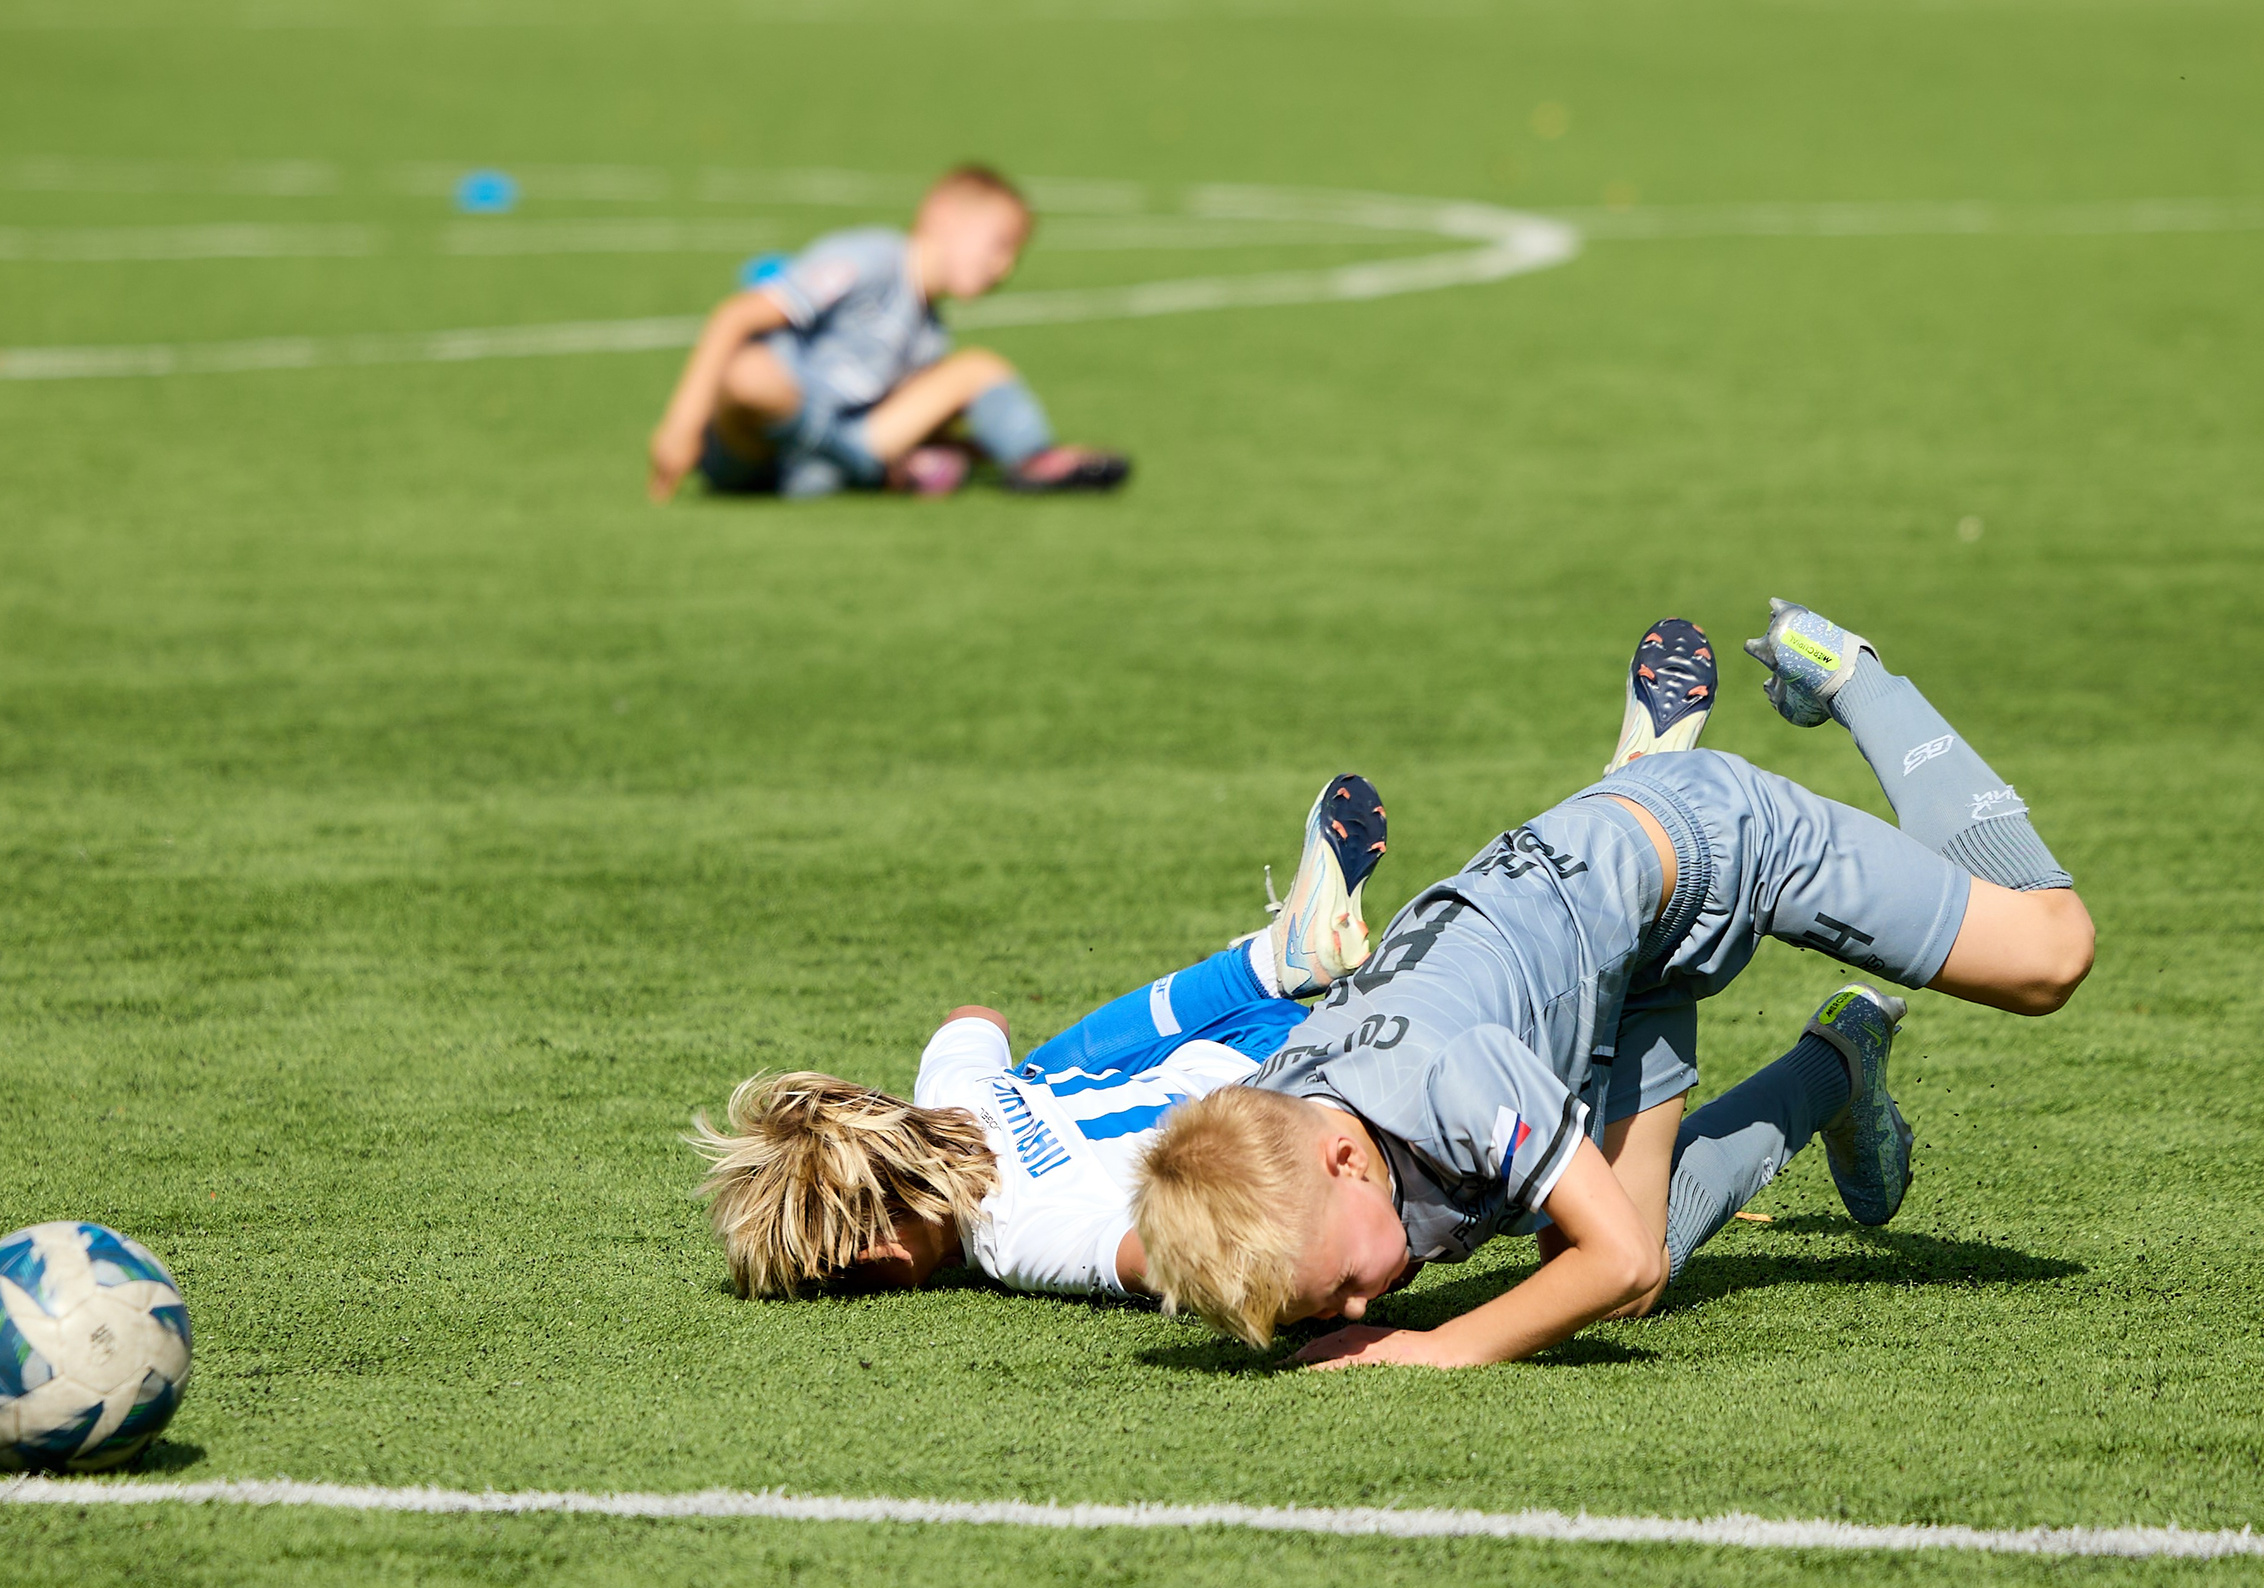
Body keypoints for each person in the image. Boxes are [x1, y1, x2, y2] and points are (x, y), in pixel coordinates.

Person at [1133, 598, 2095, 1368]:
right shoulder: (1274, 1123)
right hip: (1612, 953)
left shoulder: (1452, 1080)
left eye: (1342, 1282)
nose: (1350, 1305)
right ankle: (1841, 1060)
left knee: (2051, 957)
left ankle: (1853, 676)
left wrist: (1434, 1346)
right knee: (1627, 1288)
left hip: (1713, 845)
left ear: (1344, 1158)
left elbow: (1614, 1254)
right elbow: (1166, 1222)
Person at [687, 619, 1724, 1300]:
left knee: (1583, 1154)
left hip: (1320, 1096)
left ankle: (1626, 815)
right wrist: (992, 1100)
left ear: (876, 1249)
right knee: (1517, 945)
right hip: (1288, 1042)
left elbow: (1176, 1263)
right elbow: (972, 1021)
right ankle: (1282, 956)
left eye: (850, 1281)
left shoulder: (1016, 1237)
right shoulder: (960, 1098)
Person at [644, 164, 1131, 502]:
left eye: (1014, 256)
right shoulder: (869, 258)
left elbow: (893, 411)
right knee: (751, 375)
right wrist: (681, 426)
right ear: (943, 213)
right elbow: (734, 317)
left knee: (977, 368)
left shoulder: (930, 334)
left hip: (826, 450)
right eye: (1000, 244)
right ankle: (865, 470)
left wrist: (963, 449)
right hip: (752, 449)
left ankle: (1035, 460)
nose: (1003, 268)